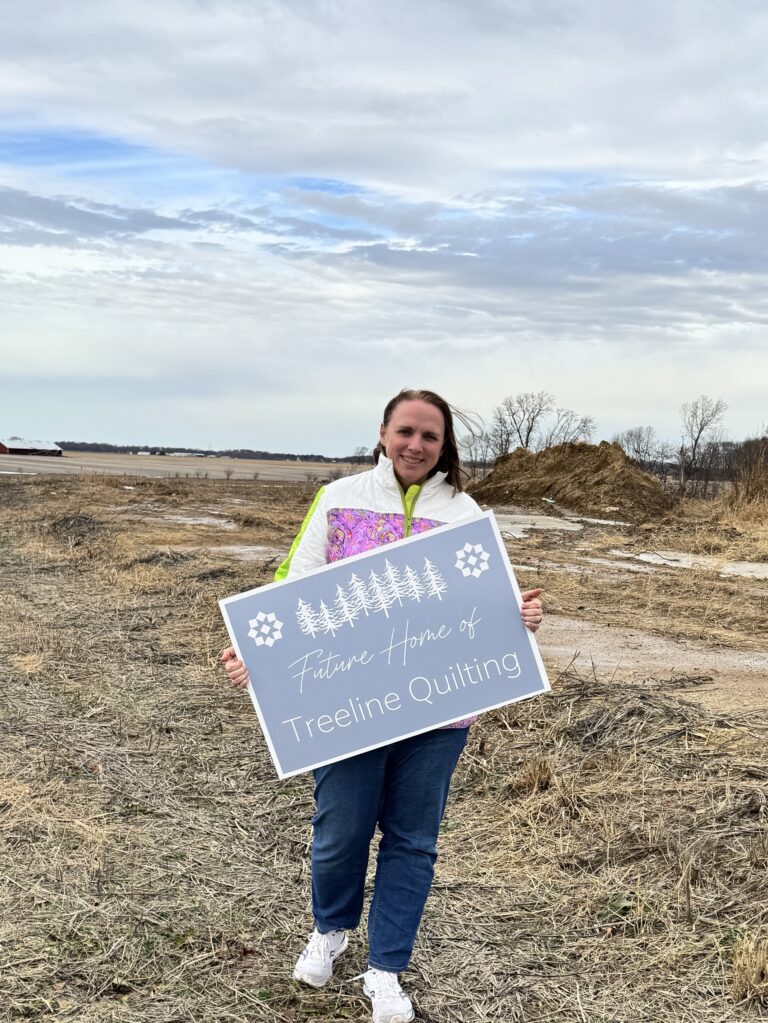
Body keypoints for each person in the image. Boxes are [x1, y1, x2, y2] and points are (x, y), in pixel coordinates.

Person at [221, 388, 543, 1023]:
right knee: (340, 833)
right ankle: (331, 928)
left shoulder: (466, 511)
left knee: (413, 841)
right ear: (383, 432)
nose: (416, 445)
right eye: (406, 431)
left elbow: (490, 602)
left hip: (439, 711)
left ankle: (387, 968)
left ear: (444, 445)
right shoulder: (339, 500)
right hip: (349, 705)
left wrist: (523, 614)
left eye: (430, 436)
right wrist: (254, 655)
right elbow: (294, 586)